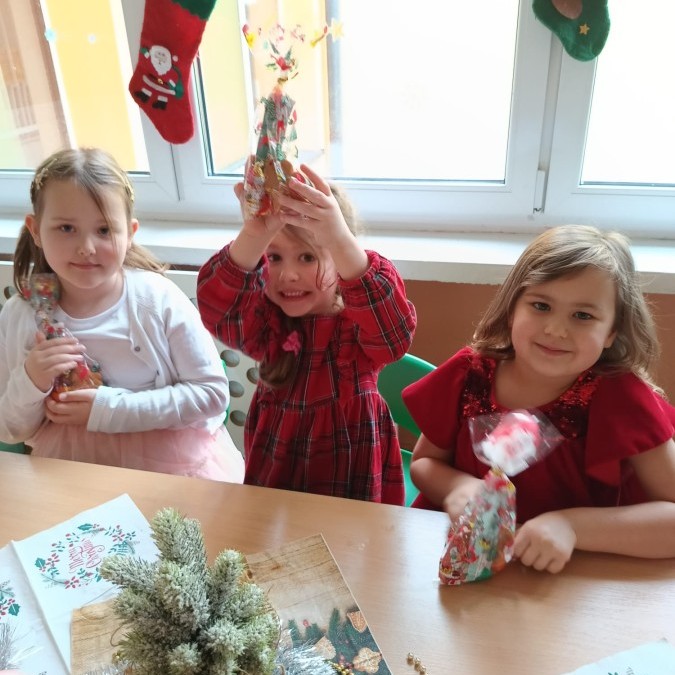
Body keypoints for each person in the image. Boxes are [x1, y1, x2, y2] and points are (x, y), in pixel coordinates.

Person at [403, 225, 675, 572]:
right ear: (512, 309)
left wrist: (571, 527)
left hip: (568, 578)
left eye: (583, 315)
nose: (556, 330)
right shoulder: (469, 374)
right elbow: (425, 463)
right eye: (541, 306)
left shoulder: (621, 399)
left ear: (611, 332)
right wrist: (457, 487)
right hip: (463, 561)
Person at [0, 147, 244, 482]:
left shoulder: (158, 300)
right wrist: (31, 380)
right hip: (71, 477)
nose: (86, 247)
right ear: (36, 231)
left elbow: (211, 395)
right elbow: (10, 430)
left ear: (130, 233)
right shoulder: (20, 315)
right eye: (66, 228)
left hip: (171, 473)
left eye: (104, 230)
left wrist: (109, 410)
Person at [197, 164, 417, 503]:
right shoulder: (268, 322)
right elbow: (217, 307)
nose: (288, 274)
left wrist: (339, 239)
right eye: (274, 257)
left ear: (339, 259)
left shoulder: (357, 324)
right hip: (278, 481)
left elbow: (394, 336)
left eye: (307, 257)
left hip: (350, 477)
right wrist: (253, 236)